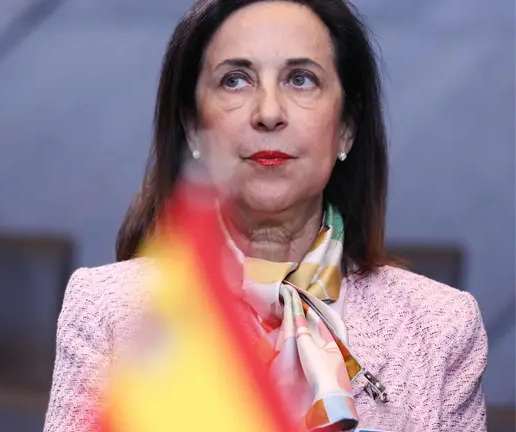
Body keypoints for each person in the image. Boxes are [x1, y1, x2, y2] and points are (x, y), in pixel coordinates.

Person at [44, 0, 488, 431]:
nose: (269, 113)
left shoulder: (442, 329)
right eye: (236, 80)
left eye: (301, 79)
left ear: (346, 128)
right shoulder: (105, 310)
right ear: (194, 128)